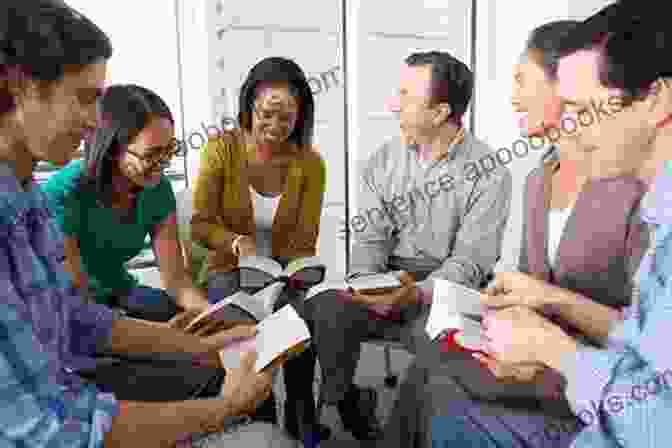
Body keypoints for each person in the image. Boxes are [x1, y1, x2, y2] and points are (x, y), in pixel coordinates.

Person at [0, 1, 292, 446]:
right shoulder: (53, 196)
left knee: (229, 356)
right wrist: (224, 408)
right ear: (21, 86)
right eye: (84, 96)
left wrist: (202, 339)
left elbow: (76, 318)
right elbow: (52, 427)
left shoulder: (26, 194)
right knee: (259, 430)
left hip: (102, 328)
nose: (94, 119)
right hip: (79, 388)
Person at [382, 19, 651, 448]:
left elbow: (643, 333)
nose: (513, 96)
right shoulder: (537, 177)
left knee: (441, 393)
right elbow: (526, 281)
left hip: (592, 371)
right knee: (431, 364)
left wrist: (549, 328)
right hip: (533, 350)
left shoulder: (632, 185)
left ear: (563, 83)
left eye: (522, 80)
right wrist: (500, 304)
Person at [453, 2, 672, 447]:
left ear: (655, 100)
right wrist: (543, 319)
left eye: (582, 108)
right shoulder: (657, 210)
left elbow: (659, 425)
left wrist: (556, 352)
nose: (570, 126)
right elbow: (645, 351)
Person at [303, 50, 512, 440]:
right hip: (387, 277)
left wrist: (415, 294)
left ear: (439, 112)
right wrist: (367, 284)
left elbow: (469, 262)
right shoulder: (382, 160)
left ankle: (409, 430)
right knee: (326, 306)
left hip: (446, 290)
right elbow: (369, 237)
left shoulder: (490, 174)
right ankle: (347, 400)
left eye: (404, 95)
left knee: (442, 354)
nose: (391, 105)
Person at [190, 56, 328, 444]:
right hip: (226, 268)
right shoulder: (221, 149)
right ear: (248, 105)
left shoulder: (310, 164)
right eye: (266, 114)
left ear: (301, 118)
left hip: (281, 271)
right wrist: (237, 244)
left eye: (287, 119)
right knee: (244, 318)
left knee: (302, 315)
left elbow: (304, 241)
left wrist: (283, 277)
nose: (275, 127)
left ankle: (302, 412)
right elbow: (200, 225)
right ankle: (258, 415)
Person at [43, 83, 210, 322]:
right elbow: (79, 300)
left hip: (121, 291)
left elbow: (176, 280)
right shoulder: (64, 192)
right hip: (72, 305)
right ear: (113, 149)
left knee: (196, 320)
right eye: (152, 154)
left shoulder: (157, 189)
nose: (163, 163)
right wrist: (156, 335)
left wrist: (208, 313)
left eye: (169, 150)